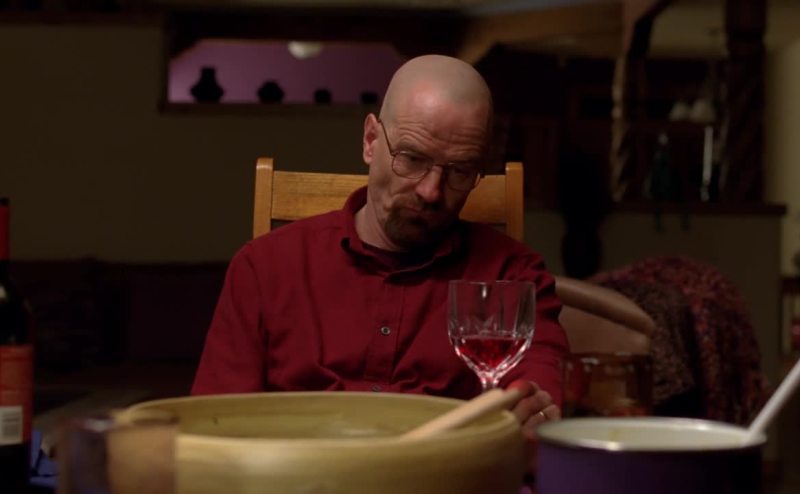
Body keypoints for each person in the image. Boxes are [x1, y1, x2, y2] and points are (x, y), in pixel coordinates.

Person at [192, 55, 567, 442]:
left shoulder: (512, 275)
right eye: (412, 159)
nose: (431, 191)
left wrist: (533, 416)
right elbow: (216, 427)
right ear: (371, 140)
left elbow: (539, 395)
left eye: (459, 171)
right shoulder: (265, 266)